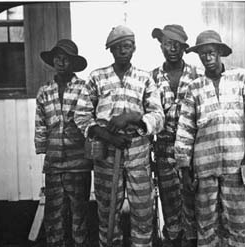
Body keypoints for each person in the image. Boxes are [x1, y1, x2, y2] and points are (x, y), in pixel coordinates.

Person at [74, 25, 165, 247]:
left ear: (134, 48)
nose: (123, 50)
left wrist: (132, 117)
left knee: (143, 209)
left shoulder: (145, 79)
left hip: (137, 152)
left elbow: (158, 116)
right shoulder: (97, 77)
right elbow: (81, 115)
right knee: (107, 209)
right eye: (118, 47)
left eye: (127, 45)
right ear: (110, 50)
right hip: (106, 153)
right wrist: (106, 135)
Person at [174, 30, 245, 247]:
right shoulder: (194, 88)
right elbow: (185, 130)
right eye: (203, 54)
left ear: (220, 53)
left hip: (236, 164)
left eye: (212, 52)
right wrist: (185, 170)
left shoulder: (241, 78)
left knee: (238, 219)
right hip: (204, 166)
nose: (208, 58)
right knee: (206, 221)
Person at [34, 39, 92, 247]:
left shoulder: (84, 89)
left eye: (65, 57)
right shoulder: (44, 91)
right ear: (53, 61)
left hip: (79, 164)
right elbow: (40, 123)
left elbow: (90, 122)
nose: (61, 61)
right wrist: (42, 147)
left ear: (73, 62)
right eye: (57, 57)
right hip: (54, 164)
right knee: (54, 216)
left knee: (79, 215)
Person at [151, 24, 199, 247]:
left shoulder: (197, 76)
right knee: (169, 201)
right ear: (160, 46)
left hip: (192, 150)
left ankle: (191, 240)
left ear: (183, 48)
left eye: (177, 45)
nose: (172, 48)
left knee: (193, 199)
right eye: (168, 43)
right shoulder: (151, 78)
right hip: (163, 150)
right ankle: (172, 239)